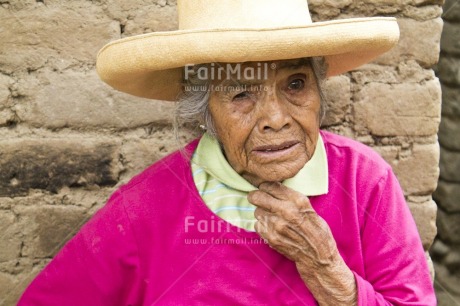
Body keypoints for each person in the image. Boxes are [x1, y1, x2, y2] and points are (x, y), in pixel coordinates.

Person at [18, 0, 436, 305]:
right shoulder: (143, 208)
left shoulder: (364, 181)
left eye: (295, 84)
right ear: (205, 112)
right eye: (241, 93)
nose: (276, 118)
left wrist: (332, 277)